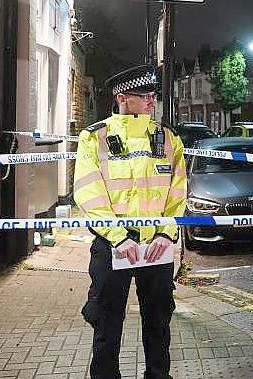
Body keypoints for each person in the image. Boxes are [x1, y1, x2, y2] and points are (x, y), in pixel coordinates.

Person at [73, 64, 187, 379]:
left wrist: (166, 233)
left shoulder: (167, 139)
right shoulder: (94, 138)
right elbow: (89, 194)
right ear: (123, 98)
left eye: (154, 95)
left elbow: (177, 193)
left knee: (159, 324)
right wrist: (119, 238)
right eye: (144, 95)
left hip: (157, 246)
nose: (152, 101)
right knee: (107, 326)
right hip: (113, 247)